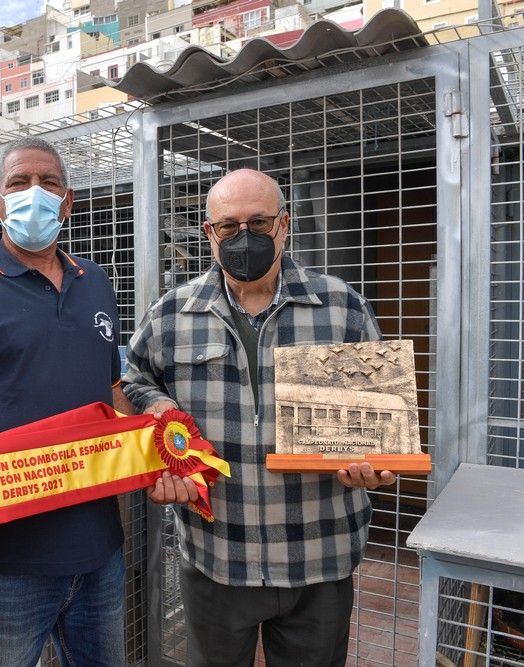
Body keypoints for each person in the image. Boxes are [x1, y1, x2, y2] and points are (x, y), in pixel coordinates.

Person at [123, 169, 397, 666]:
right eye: (228, 226)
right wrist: (161, 416)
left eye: (259, 222)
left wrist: (374, 463)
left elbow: (377, 418)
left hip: (319, 555)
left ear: (284, 225)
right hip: (217, 557)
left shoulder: (341, 306)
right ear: (209, 234)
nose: (243, 237)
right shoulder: (171, 314)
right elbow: (134, 381)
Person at [0, 137, 133, 667]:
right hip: (4, 560)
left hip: (99, 549)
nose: (34, 193)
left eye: (49, 183)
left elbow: (110, 392)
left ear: (68, 201)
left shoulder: (96, 282)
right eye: (19, 183)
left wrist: (158, 450)